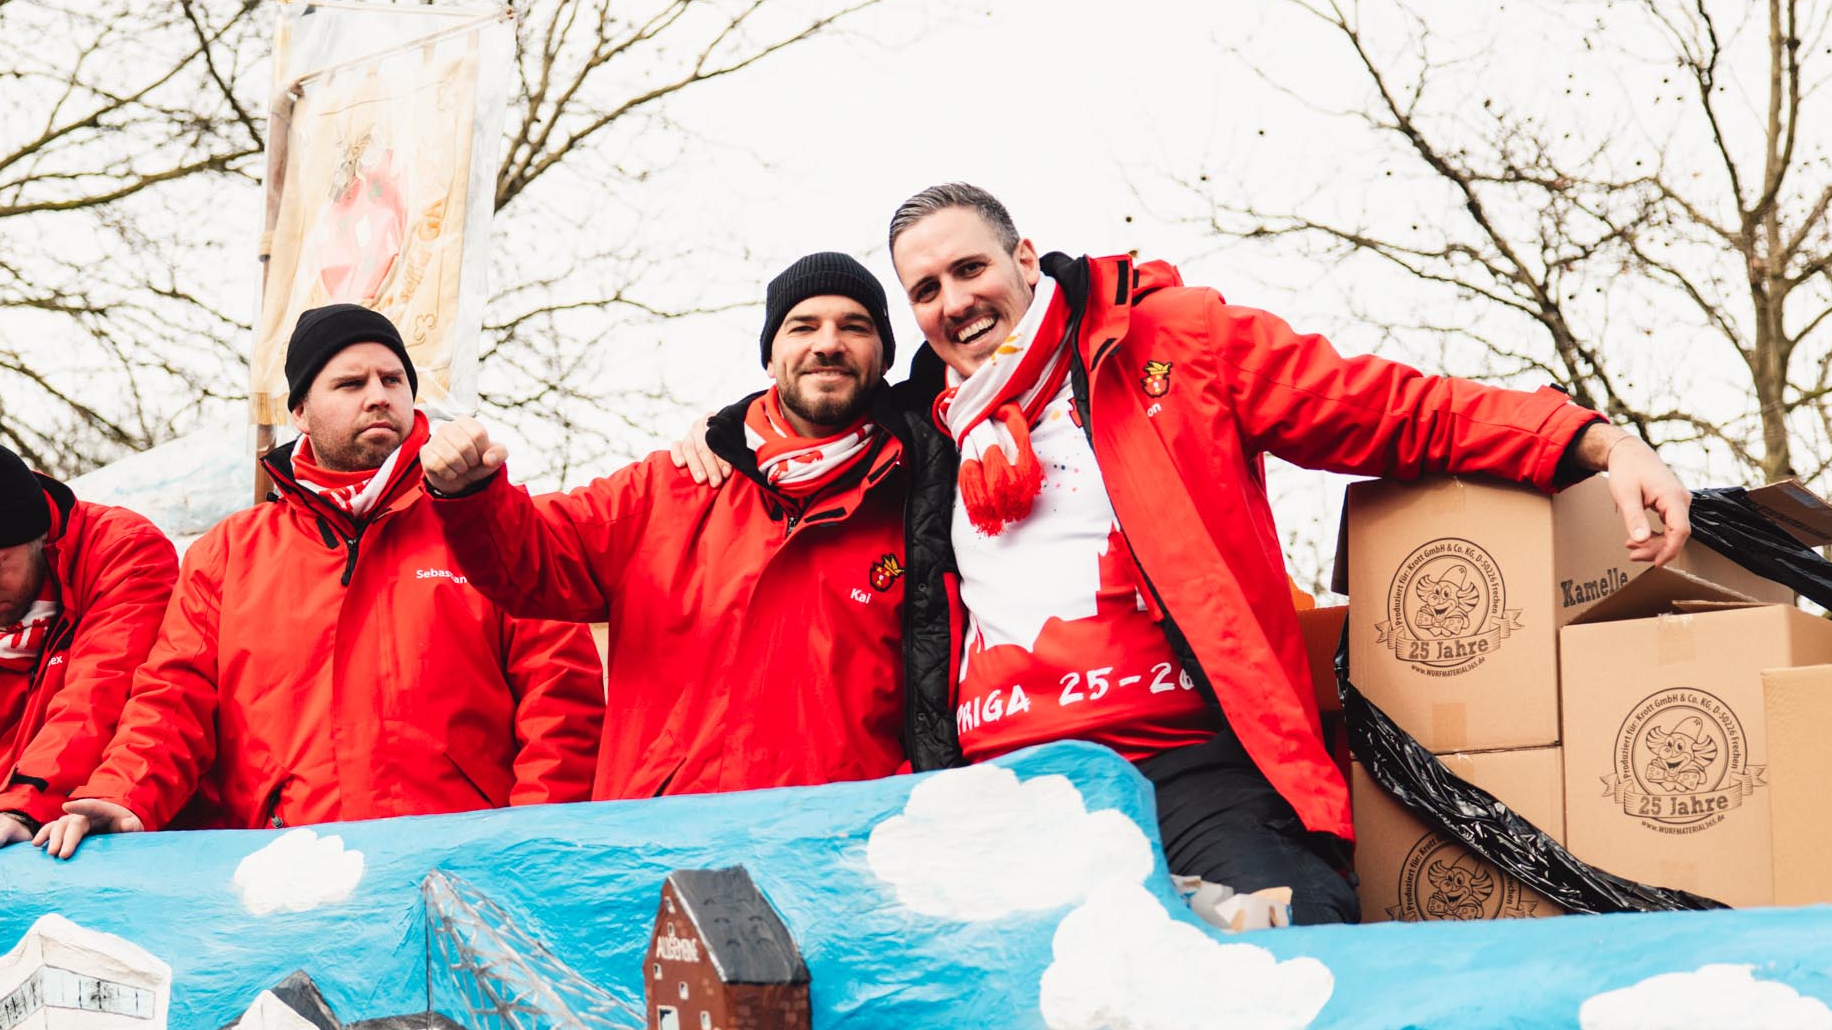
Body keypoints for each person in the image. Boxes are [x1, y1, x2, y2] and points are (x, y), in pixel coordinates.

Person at [678, 186, 1693, 924]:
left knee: (1281, 958)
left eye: (970, 268)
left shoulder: (1169, 343)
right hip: (1009, 796)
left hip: (1189, 766)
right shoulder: (924, 432)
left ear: (1023, 257)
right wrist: (720, 436)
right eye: (926, 289)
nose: (954, 300)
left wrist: (1593, 443)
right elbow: (806, 422)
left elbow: (1386, 408)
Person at [39, 303, 602, 854]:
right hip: (286, 872)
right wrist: (123, 794)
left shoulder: (488, 522)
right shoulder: (229, 553)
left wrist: (529, 846)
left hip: (458, 866)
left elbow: (559, 703)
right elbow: (172, 701)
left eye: (393, 379)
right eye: (351, 383)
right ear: (301, 413)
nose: (379, 395)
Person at [418, 252, 913, 798]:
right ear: (771, 358)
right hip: (666, 837)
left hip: (840, 839)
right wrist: (470, 492)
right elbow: (529, 556)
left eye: (854, 327)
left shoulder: (920, 502)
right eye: (803, 326)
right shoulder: (672, 487)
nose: (828, 343)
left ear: (885, 355)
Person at [0, 432, 178, 855]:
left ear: (36, 533)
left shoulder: (120, 551)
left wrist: (20, 811)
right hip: (6, 848)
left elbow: (100, 695)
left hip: (124, 833)